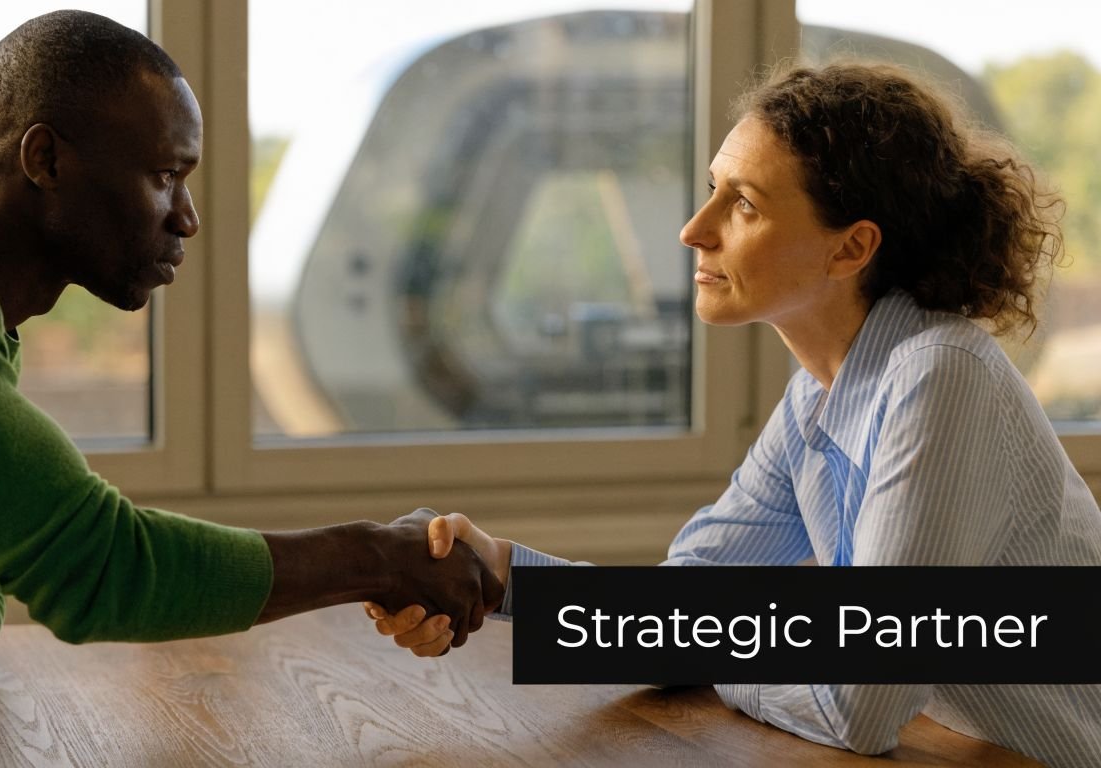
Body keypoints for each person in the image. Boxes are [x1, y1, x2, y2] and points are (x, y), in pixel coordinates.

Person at [0, 10, 501, 756]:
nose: (188, 218)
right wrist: (374, 556)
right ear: (44, 159)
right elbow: (91, 565)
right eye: (165, 176)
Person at [366, 62, 1101, 767]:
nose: (695, 228)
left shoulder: (941, 376)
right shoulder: (820, 392)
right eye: (713, 189)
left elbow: (862, 704)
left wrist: (727, 651)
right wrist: (500, 574)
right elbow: (688, 607)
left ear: (851, 248)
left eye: (743, 204)